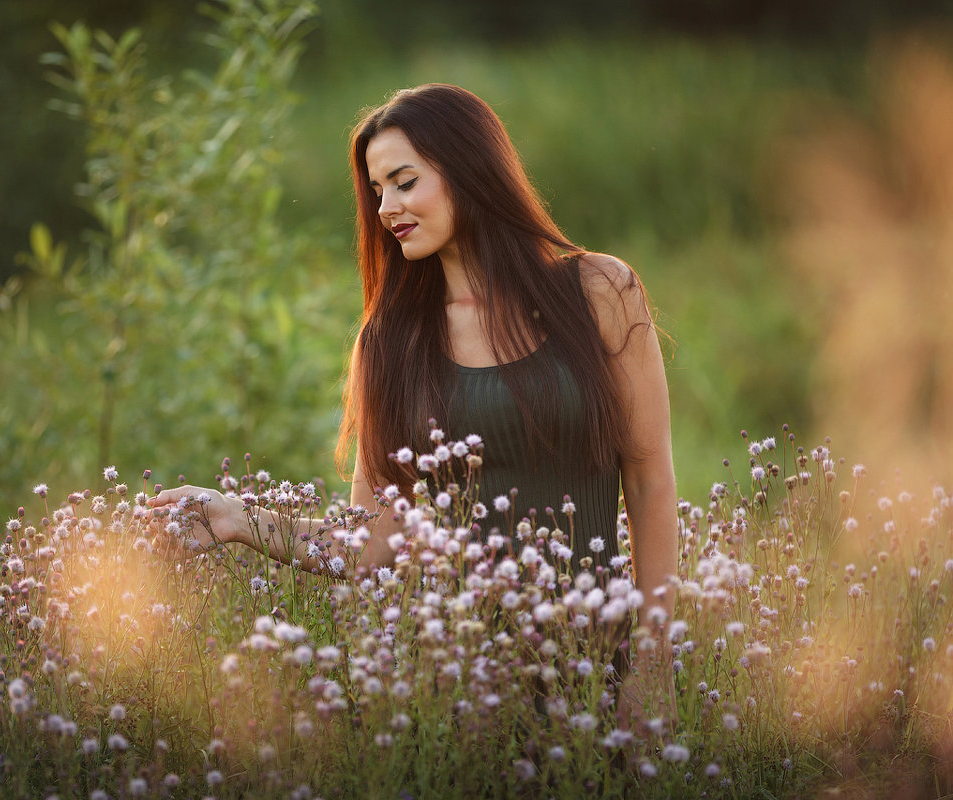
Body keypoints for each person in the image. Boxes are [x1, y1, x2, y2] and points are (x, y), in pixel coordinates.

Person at [151, 83, 678, 724]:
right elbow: (373, 544)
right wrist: (239, 520)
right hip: (459, 687)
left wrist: (651, 667)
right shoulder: (390, 342)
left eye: (404, 182)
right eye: (376, 192)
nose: (385, 208)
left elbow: (650, 481)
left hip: (598, 662)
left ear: (468, 171)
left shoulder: (600, 290)